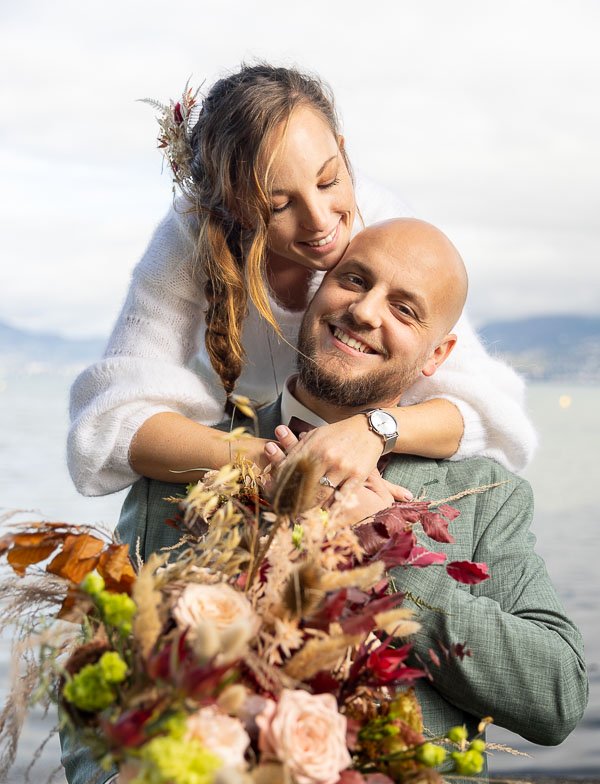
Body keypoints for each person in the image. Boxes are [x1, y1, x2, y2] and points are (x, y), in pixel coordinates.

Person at [62, 219, 587, 784]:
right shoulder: (179, 465)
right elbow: (90, 661)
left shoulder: (485, 496)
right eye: (354, 279)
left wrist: (396, 567)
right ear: (314, 294)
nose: (365, 311)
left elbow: (557, 697)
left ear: (437, 355)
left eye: (404, 308)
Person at [67, 64, 536, 503]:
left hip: (358, 438)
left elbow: (492, 411)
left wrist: (373, 430)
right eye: (277, 205)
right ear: (229, 208)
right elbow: (107, 423)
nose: (319, 221)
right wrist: (274, 460)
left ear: (343, 148)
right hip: (238, 436)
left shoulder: (386, 228)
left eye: (330, 180)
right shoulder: (189, 236)